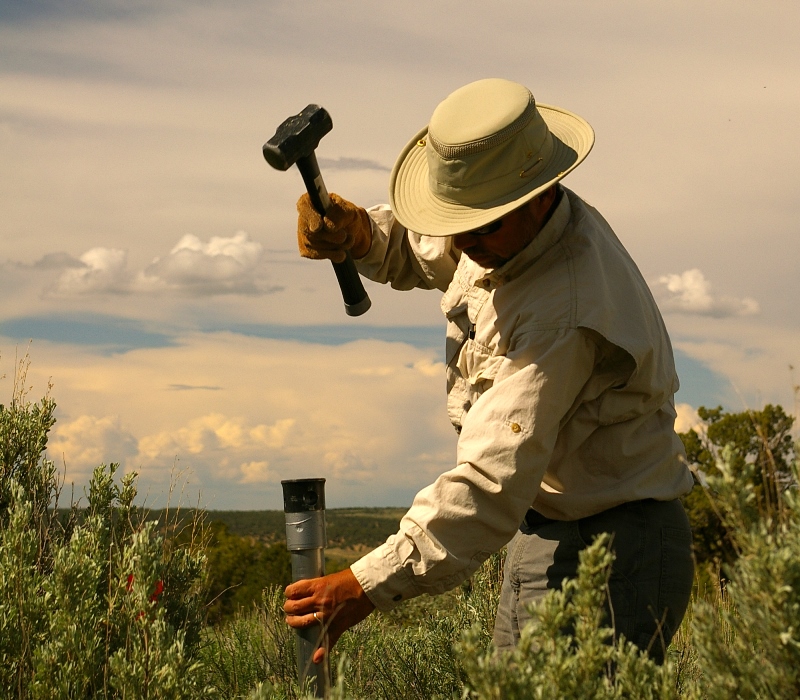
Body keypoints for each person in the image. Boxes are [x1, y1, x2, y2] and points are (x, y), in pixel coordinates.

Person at [283, 78, 695, 664]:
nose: (466, 243)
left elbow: (490, 481)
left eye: (483, 225)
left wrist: (364, 585)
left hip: (613, 551)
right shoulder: (506, 230)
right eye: (458, 222)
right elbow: (426, 248)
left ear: (540, 194)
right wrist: (360, 232)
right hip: (553, 526)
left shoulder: (564, 311)